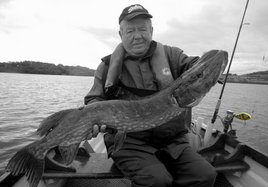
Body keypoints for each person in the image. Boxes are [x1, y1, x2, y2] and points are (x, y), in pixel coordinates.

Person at [84, 4, 217, 187]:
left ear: (152, 30)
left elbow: (195, 65)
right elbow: (94, 100)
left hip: (173, 141)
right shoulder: (107, 67)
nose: (137, 36)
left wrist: (209, 68)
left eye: (142, 29)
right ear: (120, 34)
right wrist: (94, 122)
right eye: (130, 31)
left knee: (205, 174)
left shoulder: (173, 56)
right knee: (156, 180)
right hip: (128, 143)